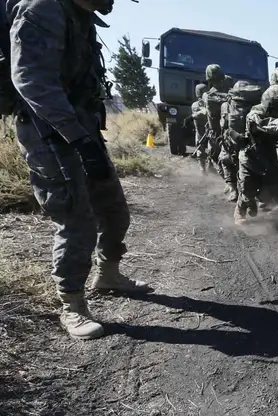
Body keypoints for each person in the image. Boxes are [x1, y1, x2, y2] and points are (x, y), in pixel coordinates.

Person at [7, 0, 153, 340]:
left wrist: (88, 138)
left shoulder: (81, 15)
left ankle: (109, 275)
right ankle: (72, 305)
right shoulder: (41, 9)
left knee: (114, 209)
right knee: (76, 219)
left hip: (82, 127)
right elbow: (31, 81)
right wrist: (77, 138)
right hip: (49, 131)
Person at [235, 84, 278, 223]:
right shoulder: (255, 114)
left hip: (269, 158)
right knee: (247, 190)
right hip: (250, 159)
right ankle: (239, 212)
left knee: (275, 190)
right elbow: (267, 124)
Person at [202, 64, 233, 198]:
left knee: (217, 158)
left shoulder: (208, 96)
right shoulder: (232, 92)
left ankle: (230, 184)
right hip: (233, 131)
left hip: (217, 133)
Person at [190, 83, 214, 174]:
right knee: (206, 149)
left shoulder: (194, 104)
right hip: (203, 130)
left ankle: (205, 169)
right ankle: (205, 170)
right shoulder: (197, 105)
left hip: (202, 131)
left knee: (204, 150)